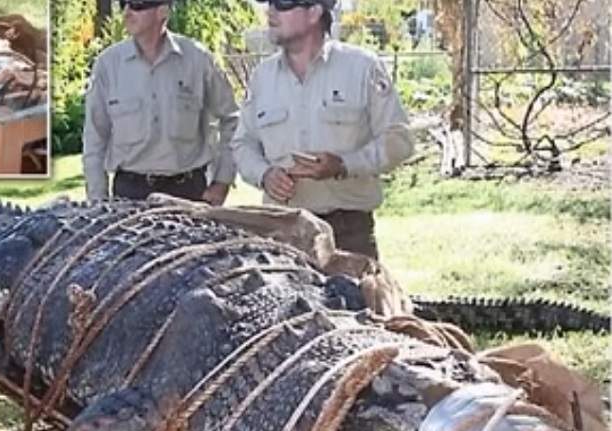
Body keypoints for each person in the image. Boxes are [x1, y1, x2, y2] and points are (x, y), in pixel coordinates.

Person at [232, 0, 415, 259]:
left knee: (355, 300)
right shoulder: (262, 77)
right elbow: (243, 144)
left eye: (282, 4)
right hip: (282, 232)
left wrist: (344, 165)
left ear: (314, 12)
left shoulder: (362, 67)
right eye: (269, 4)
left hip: (348, 233)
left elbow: (400, 139)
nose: (270, 12)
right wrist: (265, 175)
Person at [82, 0, 239, 205]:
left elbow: (233, 119)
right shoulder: (108, 65)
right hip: (130, 195)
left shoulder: (197, 60)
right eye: (123, 4)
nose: (127, 12)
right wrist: (98, 200)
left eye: (137, 5)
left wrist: (222, 182)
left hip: (188, 193)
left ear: (162, 11)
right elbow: (95, 137)